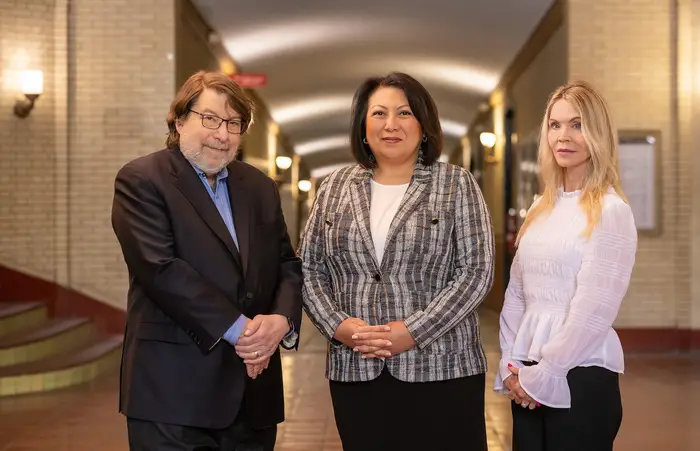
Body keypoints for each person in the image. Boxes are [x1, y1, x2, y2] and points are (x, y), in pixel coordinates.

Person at [299, 72, 495, 451]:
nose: (390, 125)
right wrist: (339, 327)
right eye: (378, 113)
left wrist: (412, 331)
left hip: (442, 367)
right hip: (357, 367)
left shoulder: (456, 184)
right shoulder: (334, 188)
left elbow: (476, 272)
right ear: (362, 126)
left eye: (404, 113)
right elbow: (308, 268)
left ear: (424, 125)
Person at [111, 70, 302, 451]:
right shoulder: (142, 180)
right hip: (174, 395)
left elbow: (286, 264)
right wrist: (247, 335)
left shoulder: (260, 188)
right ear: (180, 120)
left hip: (254, 396)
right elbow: (161, 269)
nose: (223, 134)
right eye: (210, 118)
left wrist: (281, 321)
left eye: (234, 123)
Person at [495, 80, 638, 451]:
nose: (564, 135)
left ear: (598, 133)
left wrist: (548, 373)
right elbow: (516, 295)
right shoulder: (541, 208)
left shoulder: (611, 211)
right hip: (528, 368)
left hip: (581, 372)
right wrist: (512, 364)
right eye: (555, 125)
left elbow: (594, 311)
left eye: (577, 124)